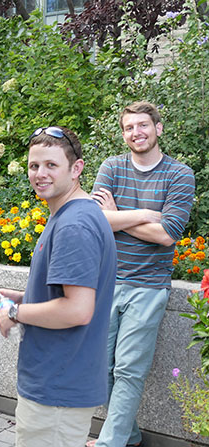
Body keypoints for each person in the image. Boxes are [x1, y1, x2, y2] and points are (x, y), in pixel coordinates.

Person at [0, 126, 117, 447]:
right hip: (60, 384)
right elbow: (70, 295)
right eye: (34, 166)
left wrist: (15, 311)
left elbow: (77, 309)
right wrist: (26, 297)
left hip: (57, 389)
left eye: (51, 165)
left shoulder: (74, 225)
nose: (40, 173)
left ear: (76, 169)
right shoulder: (73, 216)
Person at [88, 101, 195, 447]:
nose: (137, 133)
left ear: (158, 129)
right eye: (129, 127)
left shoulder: (179, 175)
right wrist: (146, 214)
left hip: (148, 287)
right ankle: (129, 434)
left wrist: (119, 214)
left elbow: (167, 234)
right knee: (98, 368)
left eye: (143, 125)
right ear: (123, 134)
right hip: (105, 282)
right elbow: (96, 219)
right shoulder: (112, 168)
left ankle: (110, 443)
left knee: (129, 370)